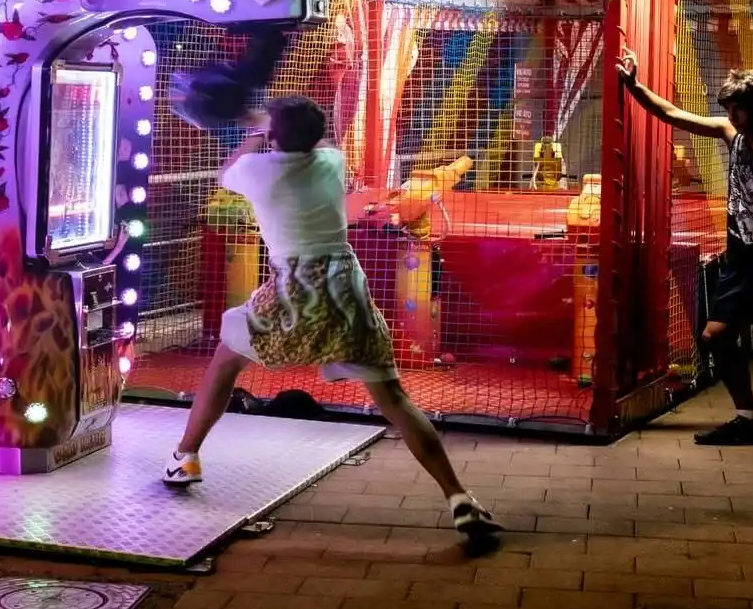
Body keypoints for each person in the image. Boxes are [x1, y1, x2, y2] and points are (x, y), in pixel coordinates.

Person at [162, 97, 501, 534]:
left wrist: (255, 129)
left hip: (294, 288)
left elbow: (227, 170)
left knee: (226, 361)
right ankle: (459, 497)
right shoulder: (331, 161)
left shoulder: (259, 171)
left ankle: (186, 457)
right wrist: (275, 126)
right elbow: (307, 141)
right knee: (394, 399)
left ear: (276, 135)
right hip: (345, 286)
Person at [615, 52, 753, 454]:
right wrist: (634, 86)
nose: (733, 115)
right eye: (730, 108)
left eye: (738, 107)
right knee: (714, 335)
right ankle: (747, 417)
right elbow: (672, 114)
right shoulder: (731, 135)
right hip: (741, 259)